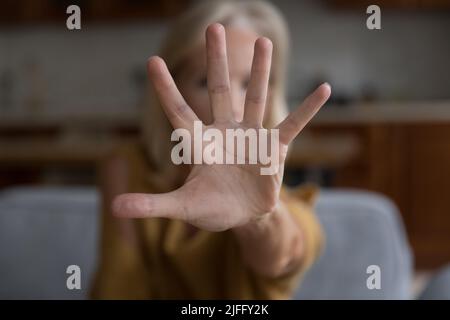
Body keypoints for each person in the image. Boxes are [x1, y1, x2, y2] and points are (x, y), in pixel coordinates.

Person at [90, 0, 330, 299]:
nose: (232, 104)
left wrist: (257, 220)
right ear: (174, 87)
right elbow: (120, 289)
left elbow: (289, 251)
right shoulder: (127, 168)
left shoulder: (268, 195)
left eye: (250, 82)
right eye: (206, 81)